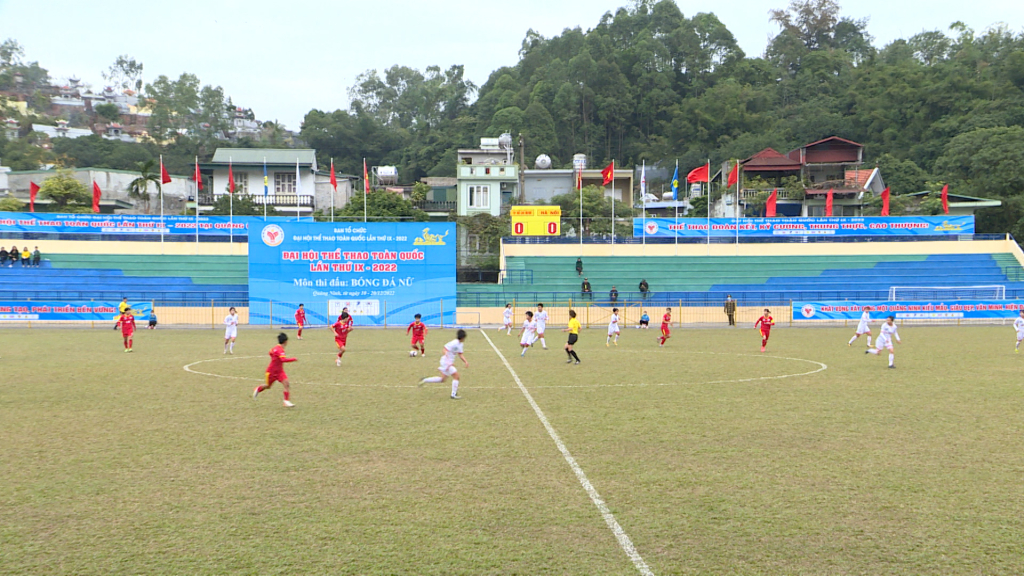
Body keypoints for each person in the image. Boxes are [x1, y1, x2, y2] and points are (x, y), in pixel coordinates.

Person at [418, 329, 468, 400]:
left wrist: (465, 361)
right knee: (456, 376)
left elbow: (460, 354)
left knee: (442, 379)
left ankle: (425, 380)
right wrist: (448, 361)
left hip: (448, 363)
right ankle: (453, 394)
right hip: (445, 362)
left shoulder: (460, 344)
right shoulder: (454, 343)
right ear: (462, 337)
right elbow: (444, 350)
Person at [253, 333, 297, 407]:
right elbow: (283, 359)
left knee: (286, 384)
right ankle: (258, 389)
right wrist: (293, 359)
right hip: (271, 372)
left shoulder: (275, 348)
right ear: (286, 341)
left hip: (280, 371)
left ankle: (286, 401)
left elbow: (270, 353)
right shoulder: (280, 350)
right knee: (268, 386)